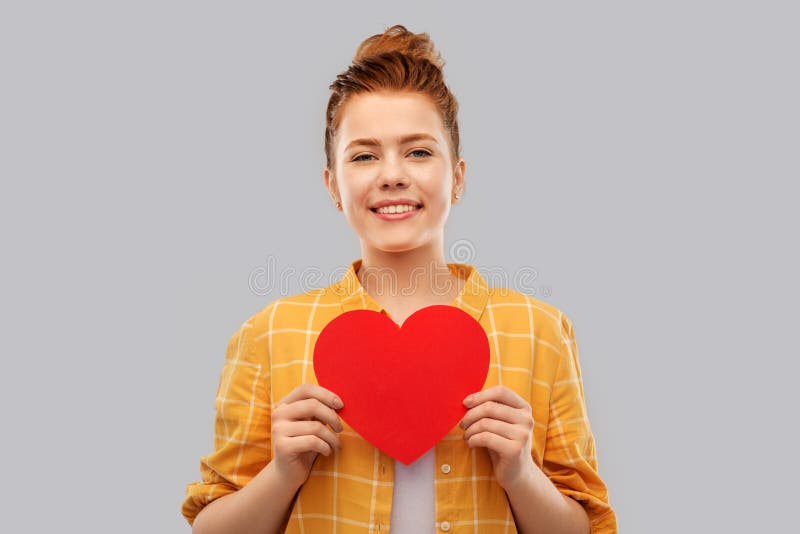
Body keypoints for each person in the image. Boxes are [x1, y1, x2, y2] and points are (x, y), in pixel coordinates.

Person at [182, 24, 618, 534]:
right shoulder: (268, 336)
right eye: (364, 155)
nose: (392, 174)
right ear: (332, 185)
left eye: (418, 151)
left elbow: (586, 526)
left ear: (457, 177)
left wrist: (521, 474)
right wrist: (282, 474)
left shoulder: (540, 332)